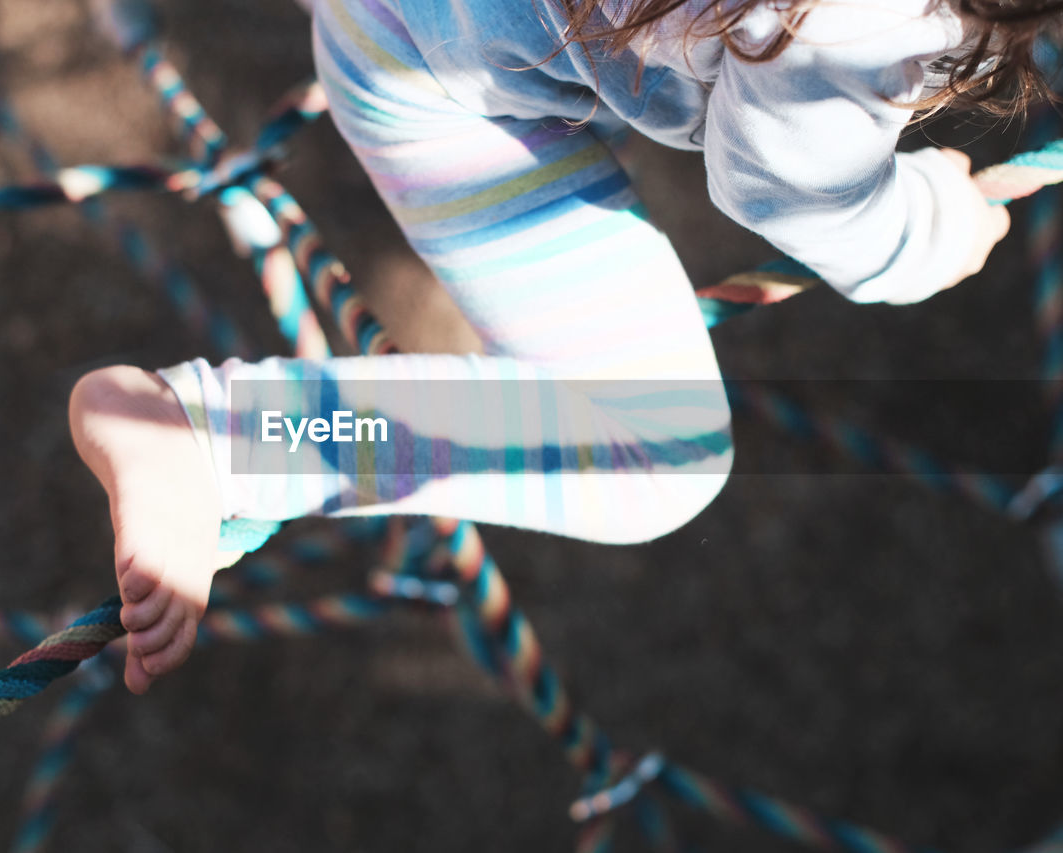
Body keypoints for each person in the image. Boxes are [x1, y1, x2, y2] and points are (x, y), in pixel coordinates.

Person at [69, 0, 1056, 694]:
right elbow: (790, 187)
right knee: (650, 451)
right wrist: (923, 233)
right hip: (435, 75)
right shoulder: (870, 17)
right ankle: (223, 435)